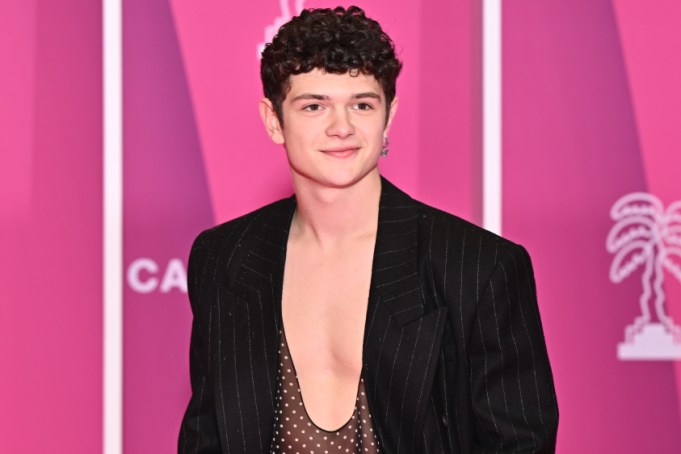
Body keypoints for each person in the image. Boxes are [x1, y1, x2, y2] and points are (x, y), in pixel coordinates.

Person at [178, 6, 558, 453]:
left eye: (361, 104)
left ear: (388, 116)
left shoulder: (478, 267)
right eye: (314, 106)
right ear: (273, 120)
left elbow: (520, 444)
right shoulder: (224, 257)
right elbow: (207, 436)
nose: (342, 128)